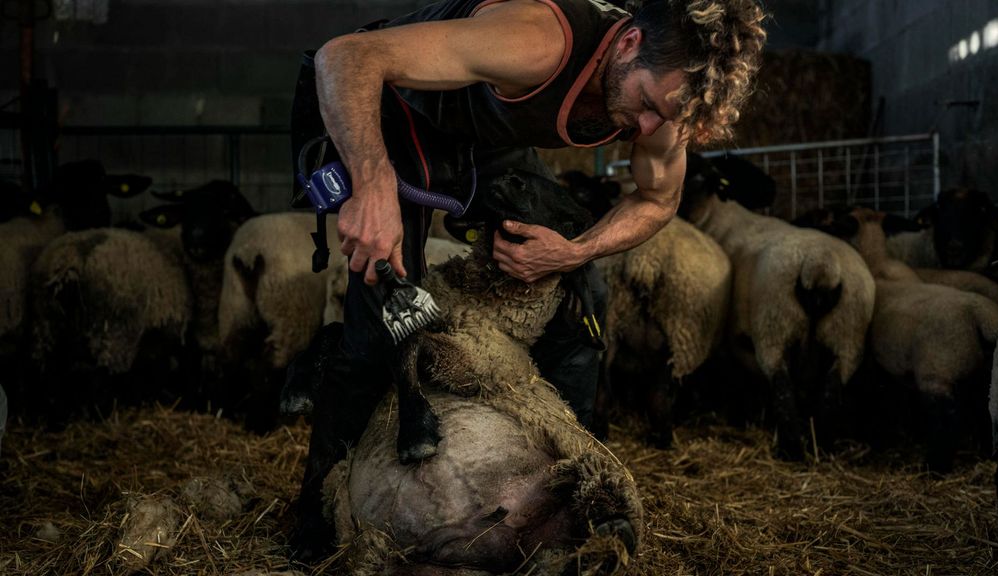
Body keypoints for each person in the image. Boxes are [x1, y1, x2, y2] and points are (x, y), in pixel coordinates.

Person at [290, 0, 766, 561]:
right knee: (380, 320)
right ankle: (315, 526)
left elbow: (660, 198)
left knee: (580, 297)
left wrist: (572, 251)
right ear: (629, 44)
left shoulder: (666, 103)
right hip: (388, 113)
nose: (645, 130)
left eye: (665, 120)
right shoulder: (536, 41)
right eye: (645, 105)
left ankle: (561, 491)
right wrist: (372, 188)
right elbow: (346, 57)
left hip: (483, 136)